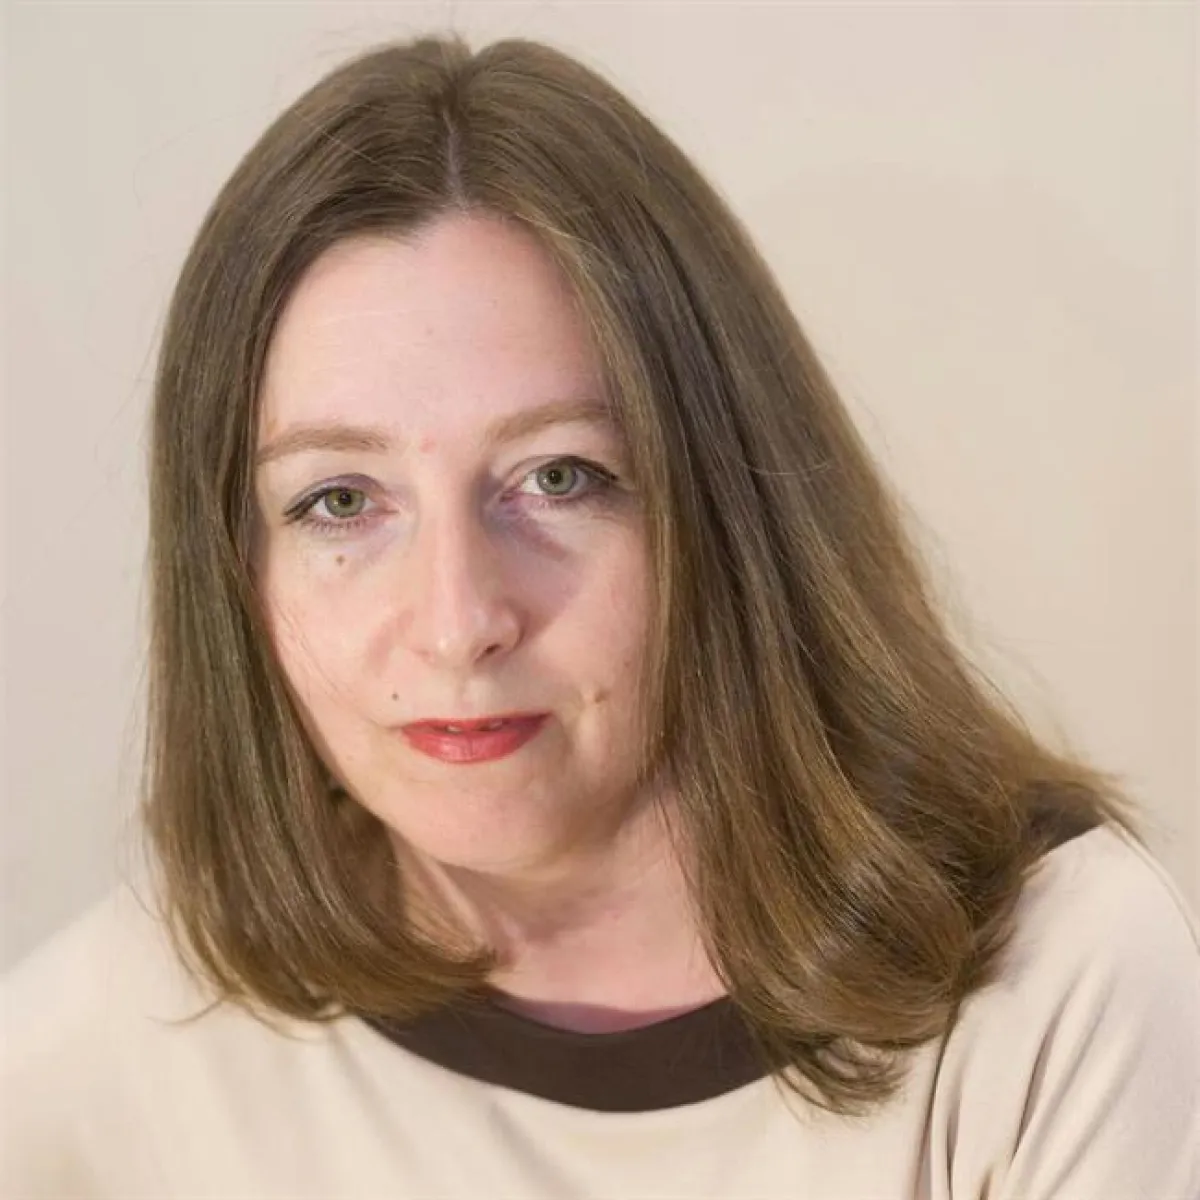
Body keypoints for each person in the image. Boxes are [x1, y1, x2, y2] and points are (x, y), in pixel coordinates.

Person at [2, 32, 1197, 1200]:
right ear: (234, 572)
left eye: (558, 477)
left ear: (724, 502)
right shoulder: (137, 1031)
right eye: (341, 501)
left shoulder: (1056, 991)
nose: (458, 623)